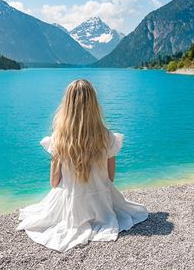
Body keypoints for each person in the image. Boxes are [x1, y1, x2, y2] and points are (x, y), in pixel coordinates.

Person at [16, 79, 148, 252]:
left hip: (72, 206)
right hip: (102, 203)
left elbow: (54, 183)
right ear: (94, 104)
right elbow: (110, 178)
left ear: (67, 105)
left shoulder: (59, 138)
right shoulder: (107, 137)